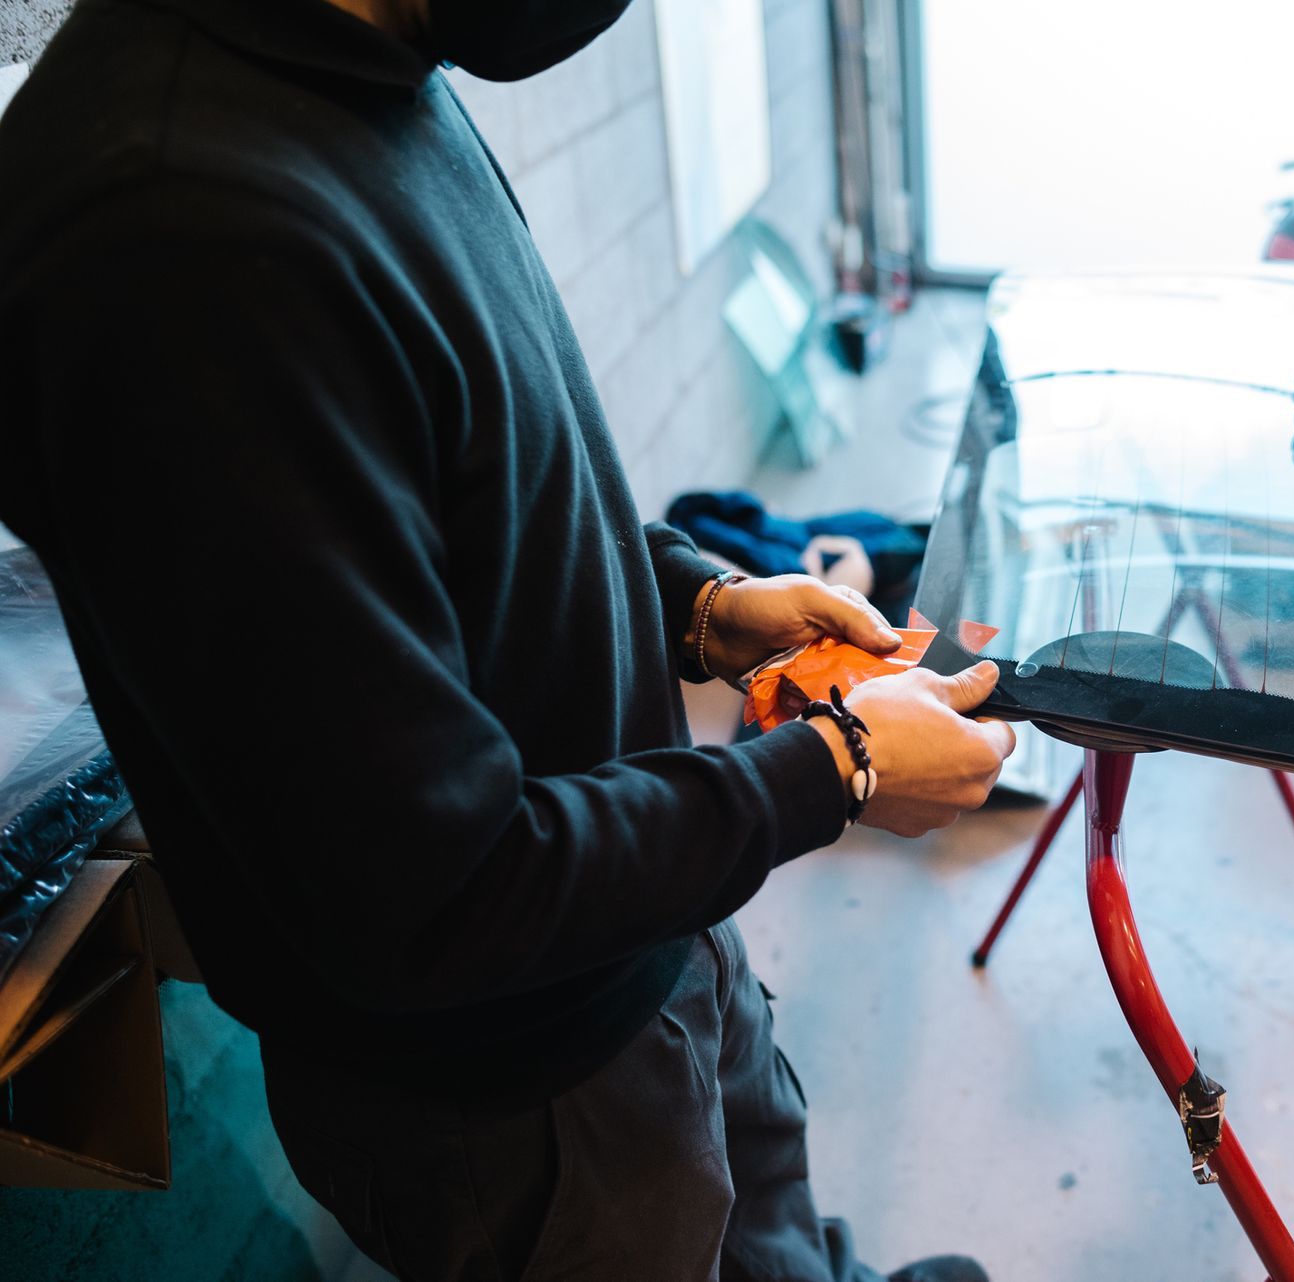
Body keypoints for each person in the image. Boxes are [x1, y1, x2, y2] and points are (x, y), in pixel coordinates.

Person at [0, 0, 1016, 1278]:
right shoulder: (171, 236)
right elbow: (432, 900)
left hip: (651, 914)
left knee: (770, 1229)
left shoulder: (372, 56)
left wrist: (697, 605)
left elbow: (469, 510)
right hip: (524, 1093)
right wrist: (836, 769)